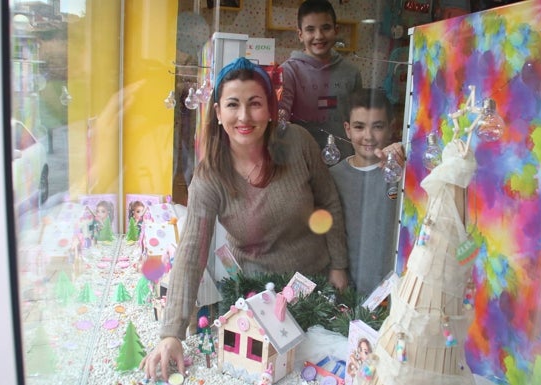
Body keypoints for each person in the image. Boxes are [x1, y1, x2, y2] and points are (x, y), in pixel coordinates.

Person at [140, 57, 349, 381]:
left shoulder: (298, 143)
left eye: (255, 103)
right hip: (258, 299)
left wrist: (339, 266)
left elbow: (329, 203)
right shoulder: (210, 177)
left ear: (270, 108)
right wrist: (171, 332)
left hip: (317, 288)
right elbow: (192, 252)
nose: (244, 116)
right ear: (218, 112)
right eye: (233, 104)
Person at [330, 88, 404, 296]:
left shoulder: (402, 173)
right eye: (359, 127)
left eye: (377, 127)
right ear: (347, 129)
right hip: (344, 291)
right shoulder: (332, 177)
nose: (368, 136)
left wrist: (404, 156)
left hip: (393, 289)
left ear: (391, 128)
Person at [279, 0, 362, 160]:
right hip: (302, 165)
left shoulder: (351, 73)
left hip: (344, 163)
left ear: (336, 30)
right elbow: (281, 121)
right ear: (300, 35)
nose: (319, 36)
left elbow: (358, 122)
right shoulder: (288, 72)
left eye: (326, 28)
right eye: (310, 29)